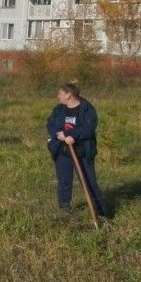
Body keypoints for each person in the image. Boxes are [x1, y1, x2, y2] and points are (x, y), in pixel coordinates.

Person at [46, 82, 107, 217]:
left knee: (89, 182)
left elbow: (89, 129)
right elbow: (50, 124)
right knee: (64, 182)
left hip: (82, 152)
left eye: (61, 93)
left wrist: (71, 135)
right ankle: (64, 209)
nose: (58, 96)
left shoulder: (87, 109)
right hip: (62, 151)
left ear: (69, 95)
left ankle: (102, 213)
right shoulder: (59, 109)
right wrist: (58, 135)